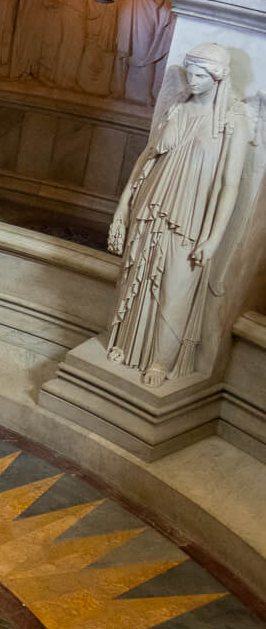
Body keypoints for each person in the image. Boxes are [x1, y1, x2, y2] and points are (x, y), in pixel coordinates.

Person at [105, 42, 251, 386]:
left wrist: (213, 239)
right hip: (151, 208)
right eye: (189, 73)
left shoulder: (233, 122)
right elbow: (146, 159)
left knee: (175, 288)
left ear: (217, 78)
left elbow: (230, 186)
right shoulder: (178, 110)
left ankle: (160, 361)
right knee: (139, 279)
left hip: (191, 219)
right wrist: (123, 207)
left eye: (200, 75)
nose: (192, 80)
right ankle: (129, 344)